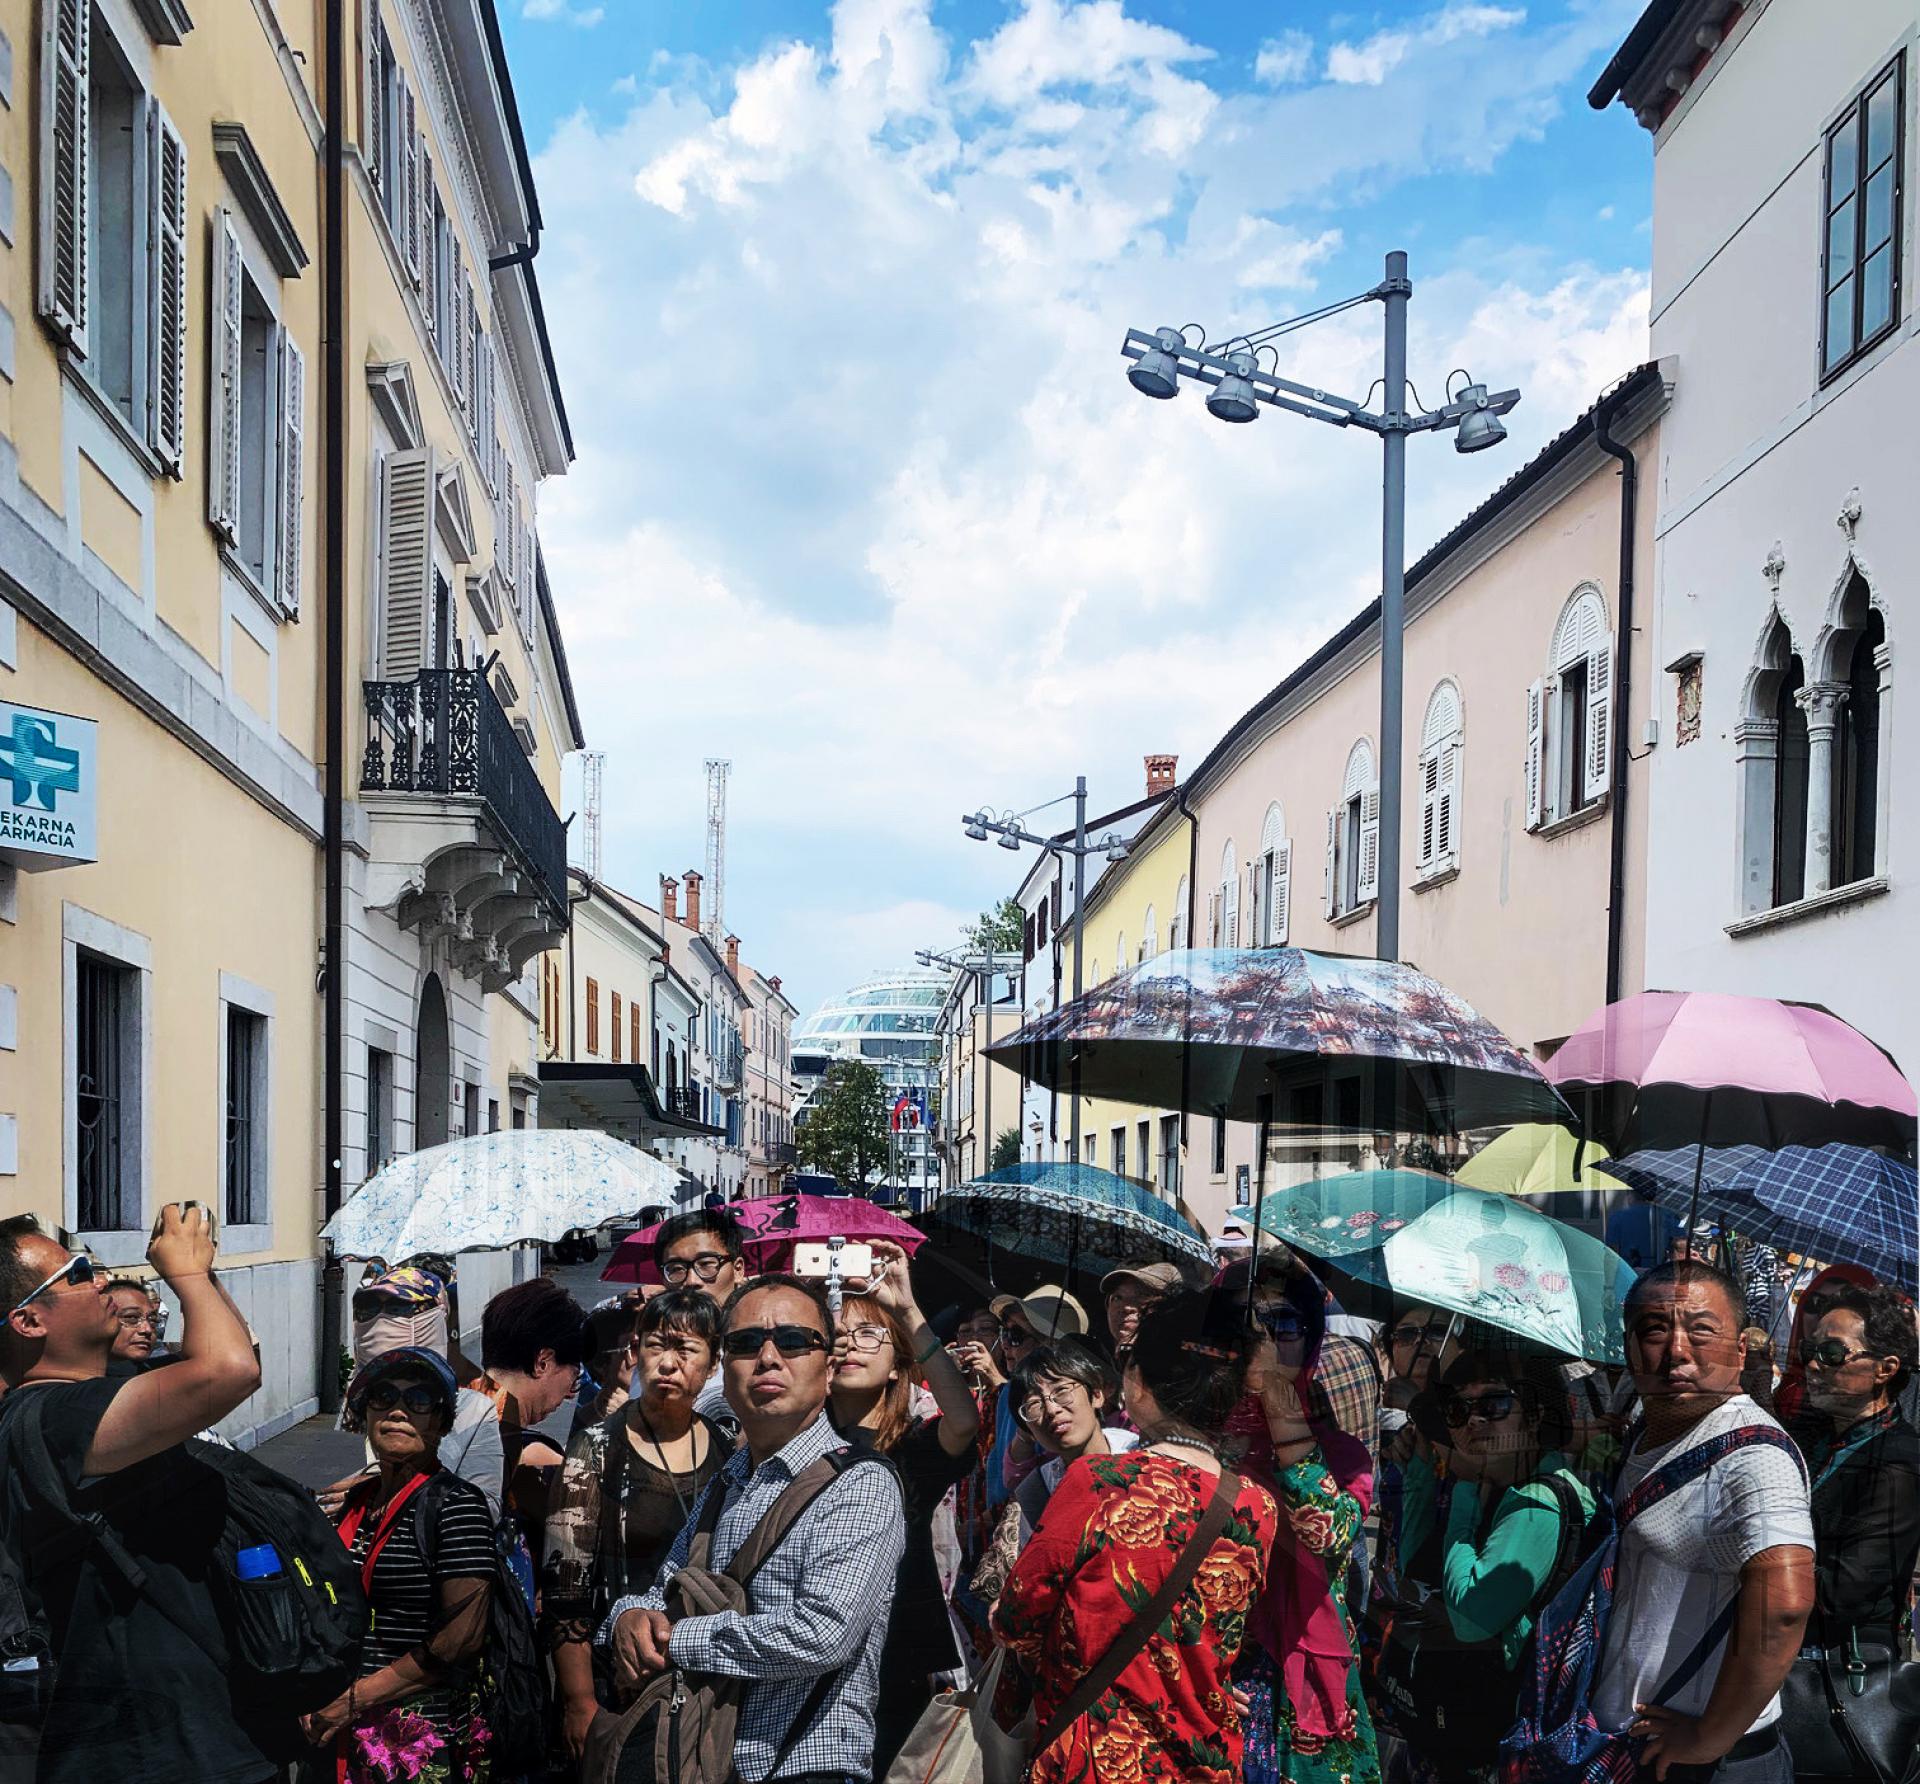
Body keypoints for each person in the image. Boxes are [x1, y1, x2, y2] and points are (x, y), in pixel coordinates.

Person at [602, 1274, 907, 1783]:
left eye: (791, 1341)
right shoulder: (728, 1480)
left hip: (801, 1766)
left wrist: (675, 1639)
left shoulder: (860, 1484)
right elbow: (664, 1588)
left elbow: (822, 1635)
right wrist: (627, 1617)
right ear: (725, 1365)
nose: (768, 1357)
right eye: (745, 1343)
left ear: (828, 1367)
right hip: (702, 1759)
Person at [0, 1206, 268, 1784]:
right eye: (75, 1272)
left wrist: (205, 1278)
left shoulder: (80, 1404)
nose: (98, 1279)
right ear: (28, 1321)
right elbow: (229, 1370)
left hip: (187, 1733)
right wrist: (189, 1274)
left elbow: (237, 1363)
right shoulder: (51, 1417)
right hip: (154, 1756)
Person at [993, 1289, 1280, 1784]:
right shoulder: (1257, 1506)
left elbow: (1018, 1620)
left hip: (1099, 1758)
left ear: (1136, 1384)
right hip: (1205, 1758)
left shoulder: (1099, 1481)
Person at [1592, 1262, 1814, 1784]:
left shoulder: (1755, 1456)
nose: (1676, 1351)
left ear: (1741, 1352)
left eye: (1701, 1331)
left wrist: (1710, 1737)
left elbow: (1784, 1606)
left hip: (1705, 1763)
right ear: (1628, 1349)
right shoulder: (1648, 1429)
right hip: (1631, 1747)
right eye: (1654, 1330)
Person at [1379, 1351, 1594, 1784]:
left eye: (1493, 1405)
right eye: (1459, 1409)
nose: (1474, 1422)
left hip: (1489, 1747)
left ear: (1533, 1415)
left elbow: (1471, 1617)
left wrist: (1460, 1496)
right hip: (1447, 1728)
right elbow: (1418, 1572)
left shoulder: (1535, 1504)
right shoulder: (1494, 1483)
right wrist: (1422, 1467)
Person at [541, 1287, 735, 1761]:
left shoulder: (728, 1449)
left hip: (703, 1674)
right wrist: (580, 1702)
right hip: (615, 1677)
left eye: (686, 1349)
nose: (668, 1363)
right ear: (637, 1352)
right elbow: (566, 1590)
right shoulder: (596, 1448)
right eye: (656, 1345)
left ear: (712, 1365)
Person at [826, 1239, 981, 1772]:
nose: (849, 1345)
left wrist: (907, 1309)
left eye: (869, 1335)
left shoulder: (911, 1451)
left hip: (900, 1657)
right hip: (818, 1657)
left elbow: (964, 1421)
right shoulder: (799, 1448)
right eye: (837, 1335)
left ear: (897, 1365)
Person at [1224, 1260, 1379, 1784]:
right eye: (1248, 1323)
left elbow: (1324, 1533)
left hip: (1304, 1692)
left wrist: (1276, 1400)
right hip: (1209, 1682)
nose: (1265, 1339)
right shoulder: (1191, 1446)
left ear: (1310, 1340)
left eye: (1285, 1325)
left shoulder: (1343, 1455)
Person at [306, 1348, 496, 1776]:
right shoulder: (358, 1501)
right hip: (339, 1726)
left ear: (443, 1423)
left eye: (420, 1400)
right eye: (383, 1396)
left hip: (415, 1738)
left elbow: (462, 1639)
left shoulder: (458, 1505)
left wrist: (353, 1699)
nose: (398, 1411)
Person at [1782, 1277, 1920, 1652]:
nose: (1812, 1363)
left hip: (1834, 1669)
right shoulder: (1807, 1434)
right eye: (1811, 1349)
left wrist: (1755, 1561)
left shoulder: (1901, 1463)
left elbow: (1843, 1592)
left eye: (1831, 1353)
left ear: (1885, 1369)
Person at [972, 1339, 1139, 1604]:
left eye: (1062, 1391)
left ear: (1096, 1394)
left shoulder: (1144, 1458)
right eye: (1034, 1405)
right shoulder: (1037, 1490)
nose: (1052, 1410)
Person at [1101, 1260, 1182, 1357]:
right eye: (1117, 1297)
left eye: (1143, 1295)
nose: (1126, 1307)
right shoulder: (1093, 1354)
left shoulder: (1188, 1360)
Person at [102, 1277, 162, 1366]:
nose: (147, 1329)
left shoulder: (157, 1369)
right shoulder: (83, 1377)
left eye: (152, 1320)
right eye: (132, 1318)